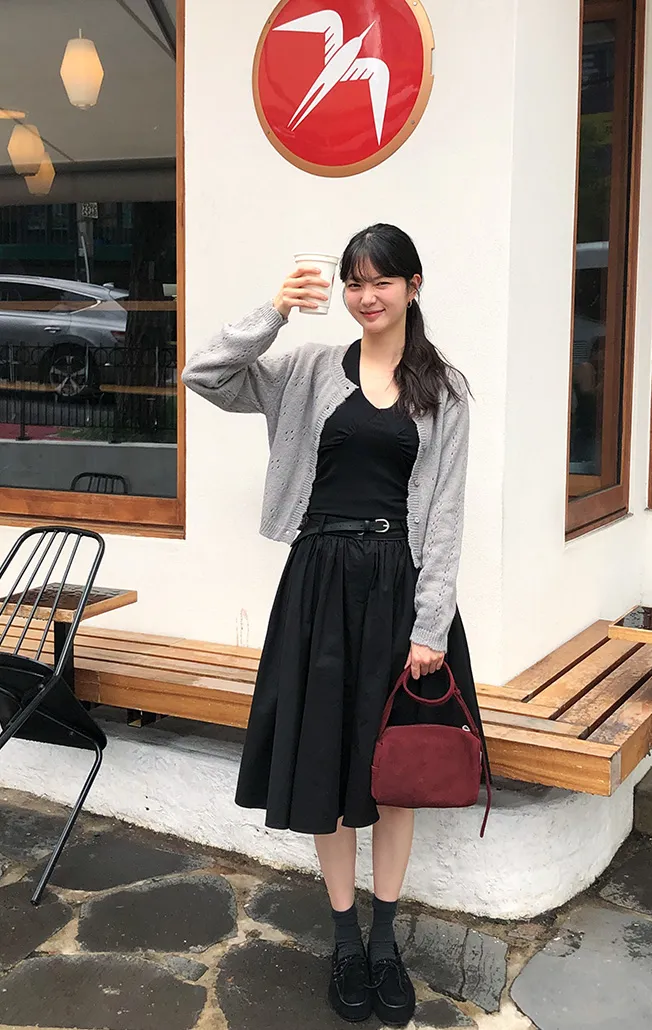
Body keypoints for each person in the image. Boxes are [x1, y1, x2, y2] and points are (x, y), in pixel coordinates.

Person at [182, 223, 488, 1027]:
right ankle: (346, 939)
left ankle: (386, 941)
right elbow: (204, 374)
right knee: (327, 762)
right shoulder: (309, 368)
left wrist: (431, 625)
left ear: (413, 286)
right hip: (318, 586)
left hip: (399, 592)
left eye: (381, 280)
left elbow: (446, 516)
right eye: (354, 282)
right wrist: (275, 310)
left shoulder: (444, 390)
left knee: (394, 771)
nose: (366, 296)